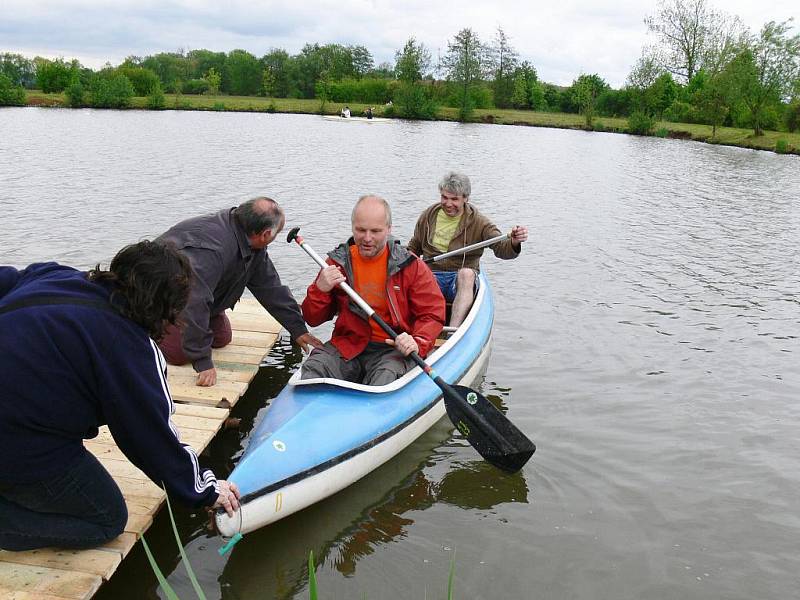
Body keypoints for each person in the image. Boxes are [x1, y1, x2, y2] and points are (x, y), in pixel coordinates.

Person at [0, 241, 240, 551]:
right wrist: (206, 490)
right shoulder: (129, 348)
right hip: (18, 440)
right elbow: (151, 440)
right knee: (106, 519)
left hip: (19, 417)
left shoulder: (54, 275)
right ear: (167, 309)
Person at [157, 197, 322, 387]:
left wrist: (297, 329)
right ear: (266, 234)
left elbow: (270, 288)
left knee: (221, 338)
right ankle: (149, 329)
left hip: (196, 294)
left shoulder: (251, 242)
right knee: (180, 354)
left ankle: (192, 325)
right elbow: (193, 301)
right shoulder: (213, 250)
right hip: (163, 298)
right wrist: (202, 362)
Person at [301, 195, 445, 386]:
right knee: (314, 367)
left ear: (389, 230)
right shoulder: (337, 263)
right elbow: (312, 318)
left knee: (384, 377)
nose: (367, 238)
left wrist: (418, 341)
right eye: (361, 230)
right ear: (353, 227)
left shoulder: (410, 265)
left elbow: (432, 314)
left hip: (393, 349)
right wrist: (320, 289)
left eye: (376, 231)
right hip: (350, 344)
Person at [408, 172, 528, 327]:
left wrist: (514, 241)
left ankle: (453, 330)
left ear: (465, 198)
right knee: (410, 275)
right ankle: (416, 328)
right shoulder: (428, 215)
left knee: (467, 273)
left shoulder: (479, 222)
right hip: (431, 276)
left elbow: (502, 249)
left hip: (459, 279)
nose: (448, 203)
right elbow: (415, 246)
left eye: (454, 199)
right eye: (444, 197)